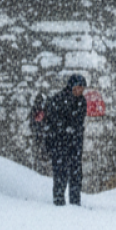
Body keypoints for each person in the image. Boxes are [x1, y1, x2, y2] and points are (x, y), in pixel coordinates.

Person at [42, 74, 87, 206]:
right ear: (71, 86)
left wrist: (74, 132)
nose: (79, 91)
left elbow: (79, 122)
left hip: (75, 144)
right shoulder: (58, 99)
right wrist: (63, 130)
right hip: (60, 144)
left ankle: (75, 202)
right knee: (60, 174)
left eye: (82, 88)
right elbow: (53, 121)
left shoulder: (81, 102)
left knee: (76, 174)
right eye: (77, 88)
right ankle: (59, 202)